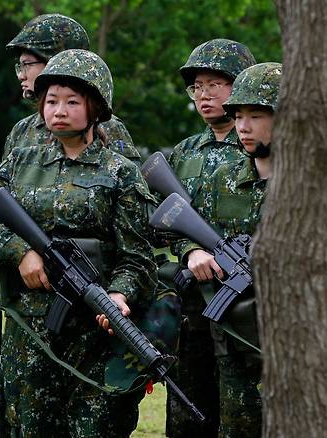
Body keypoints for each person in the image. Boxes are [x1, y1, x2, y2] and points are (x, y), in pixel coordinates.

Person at [0, 49, 157, 437]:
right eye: (51, 101)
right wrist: (20, 253)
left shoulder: (121, 173)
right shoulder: (21, 162)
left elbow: (138, 259)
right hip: (27, 338)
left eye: (71, 101)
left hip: (94, 338)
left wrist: (120, 294)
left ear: (95, 107)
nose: (59, 110)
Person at [165, 38, 256, 438]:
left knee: (244, 415)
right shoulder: (183, 153)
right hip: (192, 307)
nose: (203, 94)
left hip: (246, 306)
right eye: (197, 86)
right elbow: (161, 220)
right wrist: (190, 250)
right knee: (190, 414)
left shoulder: (261, 148)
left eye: (215, 84)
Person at [185, 62, 281, 438]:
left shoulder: (310, 185)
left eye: (255, 116)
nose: (242, 127)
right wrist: (193, 250)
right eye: (238, 116)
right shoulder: (224, 178)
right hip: (233, 342)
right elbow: (179, 225)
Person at [3, 13, 141, 163]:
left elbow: (128, 178)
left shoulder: (107, 127)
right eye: (20, 66)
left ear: (56, 63)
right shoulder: (22, 130)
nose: (21, 75)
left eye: (27, 64)